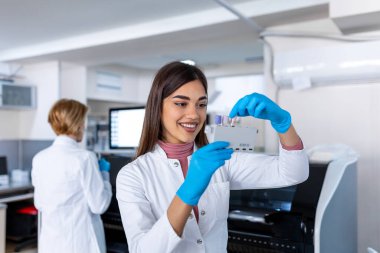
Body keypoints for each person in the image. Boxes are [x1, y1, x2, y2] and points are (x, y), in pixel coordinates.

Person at [116, 62, 309, 253]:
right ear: (157, 107)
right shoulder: (133, 175)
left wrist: (283, 123)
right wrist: (188, 190)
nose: (193, 114)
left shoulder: (220, 159)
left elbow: (292, 174)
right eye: (181, 103)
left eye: (201, 104)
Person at [32, 99, 112, 253]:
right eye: (83, 121)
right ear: (77, 124)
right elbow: (99, 205)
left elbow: (39, 204)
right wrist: (104, 175)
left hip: (51, 244)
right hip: (81, 245)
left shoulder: (39, 158)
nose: (85, 126)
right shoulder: (85, 158)